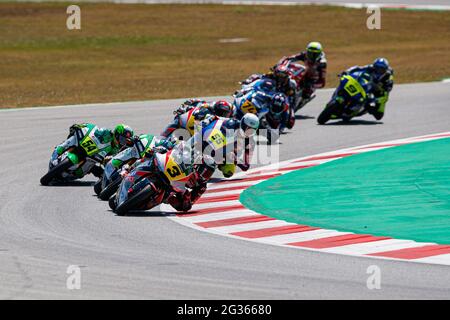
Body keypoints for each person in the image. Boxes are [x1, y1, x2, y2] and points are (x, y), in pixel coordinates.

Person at [165, 113, 259, 212]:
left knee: (228, 171)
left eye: (252, 130)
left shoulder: (250, 142)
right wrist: (208, 120)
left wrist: (235, 158)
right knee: (193, 145)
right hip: (210, 145)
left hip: (224, 155)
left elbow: (246, 166)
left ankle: (196, 184)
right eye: (247, 127)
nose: (248, 131)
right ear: (242, 123)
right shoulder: (231, 124)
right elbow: (216, 118)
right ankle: (174, 150)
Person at [54, 123, 134, 178]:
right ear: (116, 134)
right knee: (71, 140)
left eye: (125, 141)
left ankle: (74, 174)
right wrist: (82, 126)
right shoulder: (106, 133)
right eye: (122, 139)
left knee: (90, 170)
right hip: (87, 146)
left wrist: (108, 160)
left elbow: (114, 160)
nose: (122, 142)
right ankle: (57, 153)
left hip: (93, 158)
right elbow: (93, 129)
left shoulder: (117, 149)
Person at [161, 99, 234, 138]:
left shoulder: (214, 115)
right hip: (188, 125)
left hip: (195, 133)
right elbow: (197, 102)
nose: (225, 115)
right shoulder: (209, 111)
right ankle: (164, 135)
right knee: (177, 119)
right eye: (223, 113)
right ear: (218, 110)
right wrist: (188, 106)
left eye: (226, 113)